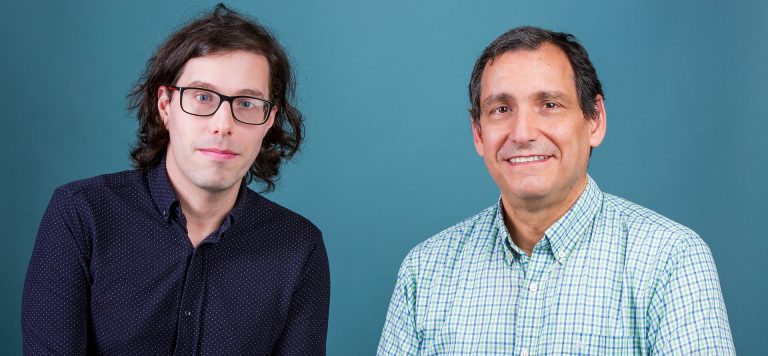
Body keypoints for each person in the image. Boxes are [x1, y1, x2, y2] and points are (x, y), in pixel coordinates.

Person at [378, 26, 734, 355]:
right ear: (478, 134)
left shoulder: (671, 260)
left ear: (594, 120)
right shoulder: (424, 270)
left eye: (549, 105)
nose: (522, 133)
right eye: (501, 109)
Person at [22, 4, 329, 355]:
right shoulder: (82, 214)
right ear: (165, 106)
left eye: (246, 103)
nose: (223, 124)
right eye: (202, 97)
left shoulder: (299, 247)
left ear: (269, 119)